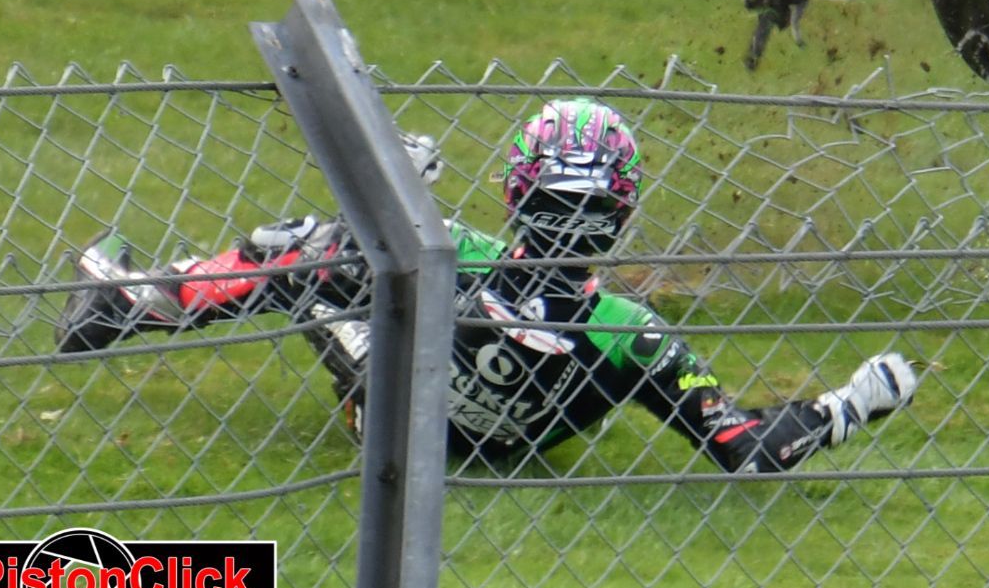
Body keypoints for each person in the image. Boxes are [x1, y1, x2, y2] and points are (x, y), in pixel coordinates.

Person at [56, 97, 918, 472]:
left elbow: (388, 238)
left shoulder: (451, 248)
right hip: (500, 444)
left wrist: (398, 189)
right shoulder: (636, 332)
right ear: (623, 210)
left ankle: (141, 299)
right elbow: (743, 450)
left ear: (517, 184)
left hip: (388, 406)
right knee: (354, 241)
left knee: (312, 245)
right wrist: (851, 403)